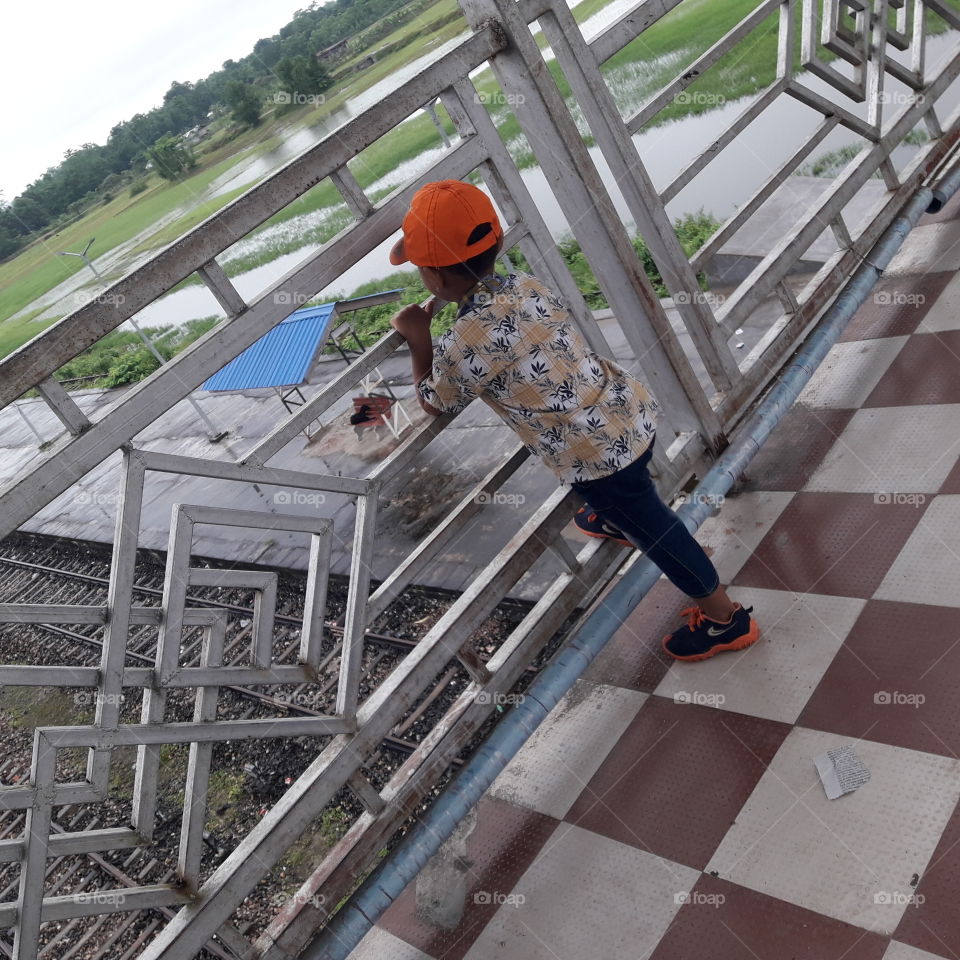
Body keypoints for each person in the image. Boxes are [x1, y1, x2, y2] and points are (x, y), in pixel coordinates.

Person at [388, 179, 759, 661]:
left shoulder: (462, 343)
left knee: (661, 536)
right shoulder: (525, 284)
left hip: (596, 460)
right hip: (626, 413)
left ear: (434, 280)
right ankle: (615, 517)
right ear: (496, 243)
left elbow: (435, 401)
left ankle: (725, 620)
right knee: (629, 498)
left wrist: (420, 338)